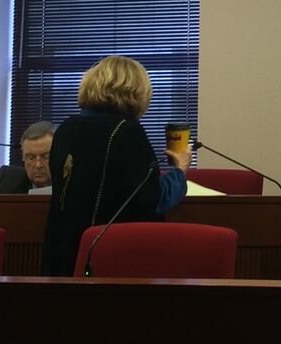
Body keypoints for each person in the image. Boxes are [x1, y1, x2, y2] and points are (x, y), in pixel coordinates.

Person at [41, 55, 192, 276]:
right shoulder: (126, 131)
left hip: (61, 253)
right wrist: (179, 172)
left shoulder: (65, 129)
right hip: (106, 257)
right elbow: (151, 199)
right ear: (136, 92)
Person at [0, 121, 57, 194]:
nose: (38, 165)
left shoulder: (68, 185)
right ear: (23, 158)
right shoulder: (9, 179)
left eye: (46, 157)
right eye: (31, 158)